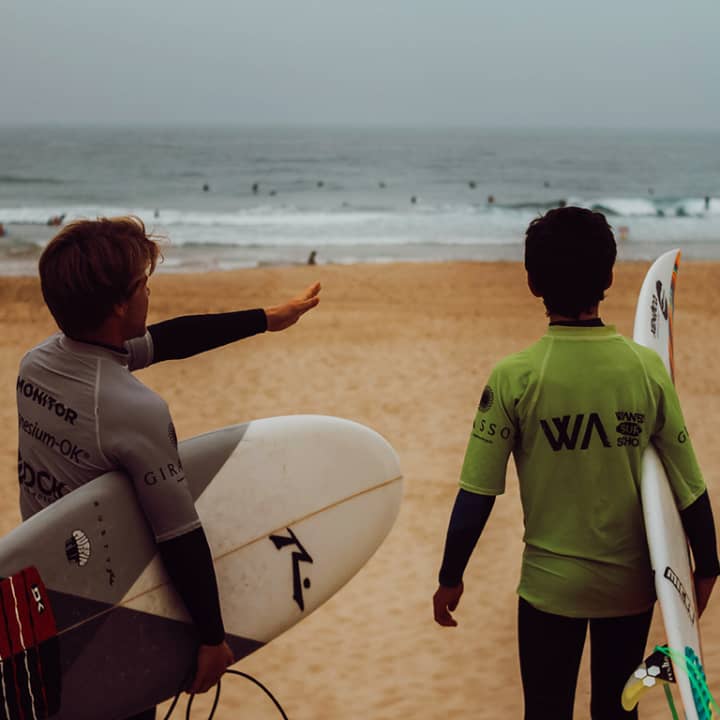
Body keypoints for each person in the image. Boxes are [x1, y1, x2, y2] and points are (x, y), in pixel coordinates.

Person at [17, 216, 321, 720]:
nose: (149, 292)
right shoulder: (134, 409)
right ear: (119, 305)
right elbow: (180, 535)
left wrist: (268, 318)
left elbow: (170, 338)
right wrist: (212, 638)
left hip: (41, 597)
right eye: (143, 284)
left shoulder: (38, 363)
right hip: (112, 612)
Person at [432, 207, 719, 719]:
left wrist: (450, 576)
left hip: (549, 587)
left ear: (532, 282)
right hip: (629, 588)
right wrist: (708, 564)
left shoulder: (514, 377)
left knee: (545, 711)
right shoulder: (646, 369)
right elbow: (688, 482)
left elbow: (477, 493)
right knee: (617, 710)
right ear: (609, 277)